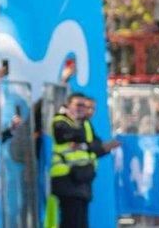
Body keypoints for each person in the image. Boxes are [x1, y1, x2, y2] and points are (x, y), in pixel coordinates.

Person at [46, 93, 118, 228]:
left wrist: (86, 146)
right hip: (65, 179)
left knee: (81, 222)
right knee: (70, 221)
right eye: (78, 105)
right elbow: (70, 135)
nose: (82, 109)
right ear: (68, 105)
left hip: (82, 179)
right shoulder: (61, 120)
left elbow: (97, 146)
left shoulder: (85, 124)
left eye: (85, 106)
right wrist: (87, 144)